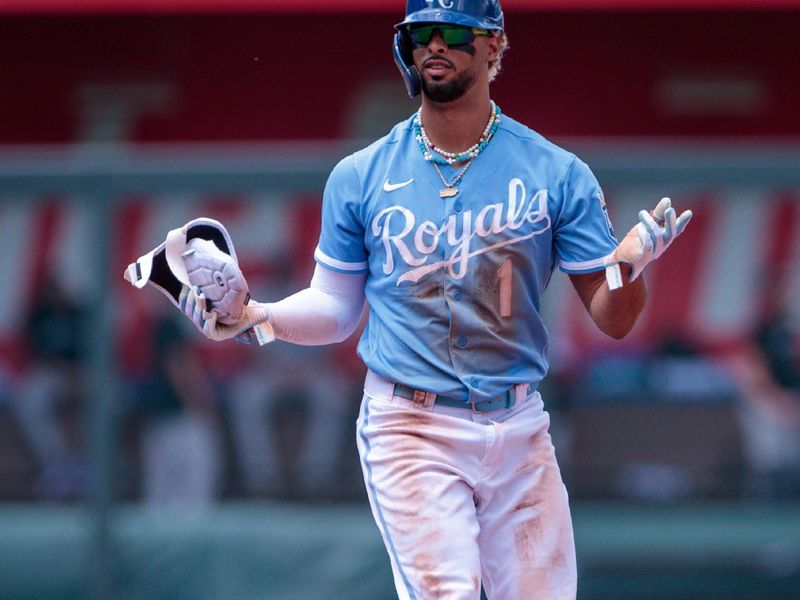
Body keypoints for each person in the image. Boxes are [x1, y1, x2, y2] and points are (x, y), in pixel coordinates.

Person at [178, 1, 692, 597]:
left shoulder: (557, 172)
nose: (435, 46)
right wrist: (256, 318)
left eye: (453, 33)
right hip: (410, 423)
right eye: (421, 33)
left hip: (518, 421)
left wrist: (628, 266)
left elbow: (614, 319)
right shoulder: (361, 175)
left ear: (493, 46)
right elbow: (336, 309)